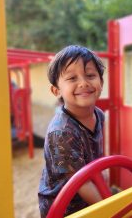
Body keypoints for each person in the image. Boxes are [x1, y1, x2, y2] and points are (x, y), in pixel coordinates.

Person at [38, 45, 106, 217]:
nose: (83, 83)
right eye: (72, 78)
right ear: (56, 90)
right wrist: (109, 206)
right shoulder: (61, 132)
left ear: (101, 82)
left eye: (90, 75)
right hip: (64, 206)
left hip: (88, 195)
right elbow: (80, 182)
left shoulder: (98, 114)